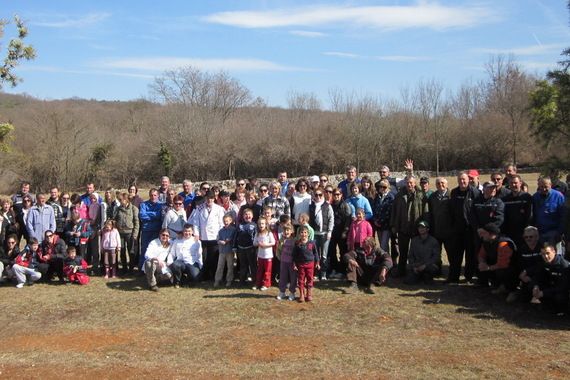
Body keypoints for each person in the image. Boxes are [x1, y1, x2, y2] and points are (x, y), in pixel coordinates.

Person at [390, 176, 428, 277]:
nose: (409, 185)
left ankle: (415, 272)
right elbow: (394, 211)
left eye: (411, 183)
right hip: (403, 228)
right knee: (403, 252)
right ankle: (401, 271)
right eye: (407, 183)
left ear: (415, 184)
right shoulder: (399, 195)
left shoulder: (420, 195)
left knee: (416, 252)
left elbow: (425, 211)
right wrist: (394, 225)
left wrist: (424, 225)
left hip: (416, 228)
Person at [448, 172, 480, 284]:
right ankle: (453, 278)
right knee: (455, 255)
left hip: (470, 229)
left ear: (468, 180)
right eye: (460, 179)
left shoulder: (474, 192)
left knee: (470, 255)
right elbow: (451, 210)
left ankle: (468, 277)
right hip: (457, 229)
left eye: (464, 179)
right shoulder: (454, 192)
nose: (462, 182)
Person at [189, 190, 225, 281]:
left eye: (212, 198)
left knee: (214, 257)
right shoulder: (199, 208)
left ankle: (214, 276)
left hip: (215, 237)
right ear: (205, 198)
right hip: (204, 237)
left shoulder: (219, 209)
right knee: (204, 257)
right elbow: (196, 222)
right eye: (208, 198)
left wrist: (220, 236)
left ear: (214, 198)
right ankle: (205, 276)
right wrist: (196, 234)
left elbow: (221, 224)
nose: (210, 200)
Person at [527, 243, 569, 315]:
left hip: (560, 291)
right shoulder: (544, 263)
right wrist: (535, 286)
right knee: (530, 286)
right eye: (543, 254)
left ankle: (560, 311)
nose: (545, 256)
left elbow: (563, 287)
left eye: (547, 253)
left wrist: (544, 293)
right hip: (550, 287)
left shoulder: (564, 266)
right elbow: (537, 276)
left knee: (559, 297)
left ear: (554, 252)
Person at [477, 223, 516, 296]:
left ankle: (511, 290)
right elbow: (481, 255)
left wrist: (488, 268)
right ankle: (498, 286)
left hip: (508, 269)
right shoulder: (486, 242)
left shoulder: (503, 244)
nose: (482, 235)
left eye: (484, 233)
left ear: (490, 234)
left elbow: (503, 264)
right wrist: (482, 263)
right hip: (496, 266)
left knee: (502, 271)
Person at [426, 177, 453, 273]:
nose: (440, 185)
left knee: (451, 253)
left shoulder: (451, 195)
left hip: (449, 231)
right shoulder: (432, 197)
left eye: (442, 183)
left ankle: (453, 272)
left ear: (447, 184)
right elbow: (430, 213)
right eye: (438, 183)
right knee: (436, 253)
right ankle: (437, 271)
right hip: (436, 230)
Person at [404, 221, 441, 285]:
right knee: (408, 281)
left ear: (428, 229)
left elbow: (436, 257)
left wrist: (425, 266)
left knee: (432, 271)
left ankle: (426, 276)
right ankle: (420, 276)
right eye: (419, 227)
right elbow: (410, 256)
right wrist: (413, 267)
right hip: (417, 265)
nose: (421, 229)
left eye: (423, 227)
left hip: (428, 265)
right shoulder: (414, 241)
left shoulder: (433, 241)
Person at [513, 226, 544, 303]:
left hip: (541, 276)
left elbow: (542, 265)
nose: (528, 239)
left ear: (537, 237)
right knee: (524, 298)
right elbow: (519, 264)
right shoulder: (522, 249)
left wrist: (526, 271)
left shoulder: (543, 248)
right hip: (526, 276)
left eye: (531, 236)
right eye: (526, 237)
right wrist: (522, 274)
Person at [309, 188, 334, 280]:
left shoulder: (327, 206)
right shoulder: (311, 206)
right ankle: (316, 273)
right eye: (316, 195)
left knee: (324, 255)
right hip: (314, 233)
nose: (318, 197)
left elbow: (331, 219)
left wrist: (330, 231)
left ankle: (323, 274)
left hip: (324, 233)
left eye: (320, 195)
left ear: (323, 195)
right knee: (315, 254)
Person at [502, 174, 533, 248]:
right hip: (509, 233)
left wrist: (527, 231)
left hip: (524, 234)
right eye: (511, 183)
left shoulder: (527, 197)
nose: (513, 185)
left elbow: (530, 216)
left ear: (520, 183)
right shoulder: (505, 199)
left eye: (515, 183)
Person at [532, 177, 565, 244]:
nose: (544, 189)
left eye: (546, 187)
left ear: (550, 185)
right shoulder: (535, 197)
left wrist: (559, 232)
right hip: (540, 233)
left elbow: (563, 216)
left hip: (554, 232)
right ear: (538, 185)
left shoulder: (558, 196)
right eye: (541, 187)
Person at [113, 193, 139, 274]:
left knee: (131, 251)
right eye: (120, 200)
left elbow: (136, 222)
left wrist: (135, 234)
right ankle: (124, 268)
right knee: (122, 251)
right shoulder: (118, 209)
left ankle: (131, 269)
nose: (121, 201)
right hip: (120, 233)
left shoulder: (133, 208)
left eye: (123, 199)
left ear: (127, 199)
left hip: (130, 233)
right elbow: (114, 219)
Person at [292, 225, 319, 303]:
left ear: (308, 233)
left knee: (310, 279)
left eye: (305, 232)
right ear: (299, 234)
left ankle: (309, 293)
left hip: (310, 264)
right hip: (301, 265)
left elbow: (316, 253)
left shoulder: (312, 243)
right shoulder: (297, 244)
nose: (303, 234)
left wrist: (317, 262)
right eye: (302, 232)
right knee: (301, 280)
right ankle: (302, 294)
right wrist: (294, 264)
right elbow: (294, 255)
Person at [171, 224, 203, 288]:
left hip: (192, 262)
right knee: (175, 265)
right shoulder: (177, 240)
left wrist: (200, 265)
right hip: (180, 262)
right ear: (183, 231)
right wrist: (170, 263)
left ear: (192, 232)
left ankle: (186, 280)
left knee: (195, 277)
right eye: (185, 231)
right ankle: (178, 281)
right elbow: (172, 253)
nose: (187, 233)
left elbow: (199, 254)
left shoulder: (197, 241)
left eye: (189, 231)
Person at [329, 189, 352, 278]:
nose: (336, 196)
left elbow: (348, 220)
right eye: (334, 194)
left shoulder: (345, 205)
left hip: (342, 232)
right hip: (332, 232)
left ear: (341, 195)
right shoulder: (331, 206)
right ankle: (334, 269)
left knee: (343, 251)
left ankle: (343, 270)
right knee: (332, 252)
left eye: (338, 194)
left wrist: (345, 231)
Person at [139, 188, 163, 270]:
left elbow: (159, 215)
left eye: (155, 195)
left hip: (156, 230)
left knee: (155, 250)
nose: (153, 197)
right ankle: (142, 268)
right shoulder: (143, 204)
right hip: (146, 230)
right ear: (149, 195)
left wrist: (148, 214)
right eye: (151, 195)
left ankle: (154, 268)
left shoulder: (161, 205)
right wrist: (154, 215)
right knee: (144, 249)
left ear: (158, 196)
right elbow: (142, 216)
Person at [234, 208, 257, 285]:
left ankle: (255, 281)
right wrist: (234, 247)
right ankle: (242, 281)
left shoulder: (254, 225)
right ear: (243, 216)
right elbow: (235, 237)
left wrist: (256, 248)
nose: (247, 216)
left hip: (251, 248)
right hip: (241, 248)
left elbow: (256, 237)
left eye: (249, 214)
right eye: (245, 214)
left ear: (252, 215)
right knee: (243, 265)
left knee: (252, 265)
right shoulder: (240, 225)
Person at [215, 214, 237, 288]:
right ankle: (217, 280)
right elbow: (217, 239)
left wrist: (228, 240)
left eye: (227, 221)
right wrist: (220, 241)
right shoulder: (221, 231)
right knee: (220, 266)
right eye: (224, 221)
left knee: (230, 266)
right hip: (222, 251)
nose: (226, 222)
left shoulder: (233, 230)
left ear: (231, 221)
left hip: (230, 251)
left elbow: (233, 238)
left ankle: (229, 280)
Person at [372, 179, 395, 253]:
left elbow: (389, 212)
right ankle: (386, 261)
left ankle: (386, 262)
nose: (382, 188)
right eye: (380, 186)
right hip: (378, 225)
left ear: (388, 187)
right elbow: (374, 209)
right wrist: (375, 220)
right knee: (383, 246)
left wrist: (380, 221)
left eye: (384, 187)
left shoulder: (391, 197)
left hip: (386, 225)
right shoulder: (377, 197)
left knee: (383, 245)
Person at [253, 217, 275, 290]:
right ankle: (258, 283)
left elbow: (273, 242)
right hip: (260, 256)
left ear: (266, 224)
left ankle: (266, 284)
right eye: (259, 224)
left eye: (262, 223)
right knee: (259, 270)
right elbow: (254, 243)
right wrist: (259, 244)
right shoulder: (257, 234)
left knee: (267, 271)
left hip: (268, 256)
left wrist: (265, 245)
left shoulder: (269, 233)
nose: (261, 225)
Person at [276, 223, 297, 301]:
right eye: (284, 230)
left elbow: (297, 251)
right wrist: (279, 257)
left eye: (288, 230)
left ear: (291, 231)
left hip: (292, 263)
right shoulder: (281, 240)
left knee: (293, 278)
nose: (286, 232)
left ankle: (292, 293)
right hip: (283, 262)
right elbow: (278, 250)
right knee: (283, 277)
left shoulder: (294, 241)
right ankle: (282, 292)